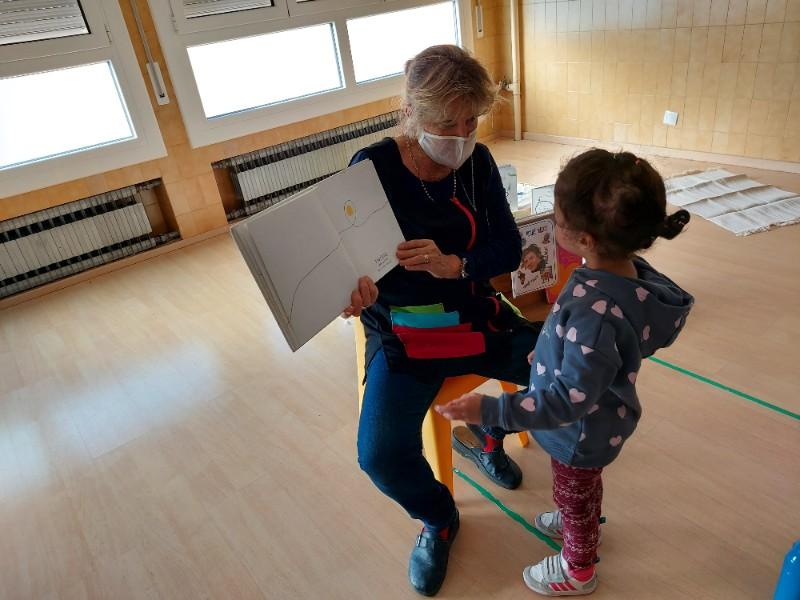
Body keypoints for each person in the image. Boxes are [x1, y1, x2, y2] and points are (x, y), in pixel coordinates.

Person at [436, 149, 694, 596]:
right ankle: (580, 514)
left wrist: (490, 410)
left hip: (579, 433)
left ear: (586, 239)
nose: (552, 225)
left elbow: (567, 401)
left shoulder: (596, 312)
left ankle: (579, 568)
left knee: (575, 492)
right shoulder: (619, 274)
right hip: (596, 422)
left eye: (556, 220)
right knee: (580, 489)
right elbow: (586, 352)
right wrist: (548, 354)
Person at [342, 45, 542, 596]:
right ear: (410, 113)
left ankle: (490, 434)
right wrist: (355, 291)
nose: (461, 135)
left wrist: (457, 265)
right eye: (446, 124)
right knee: (380, 457)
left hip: (476, 314)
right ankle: (438, 518)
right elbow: (351, 264)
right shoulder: (371, 169)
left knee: (570, 371)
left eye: (471, 120)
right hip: (404, 330)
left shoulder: (477, 163)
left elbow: (508, 248)